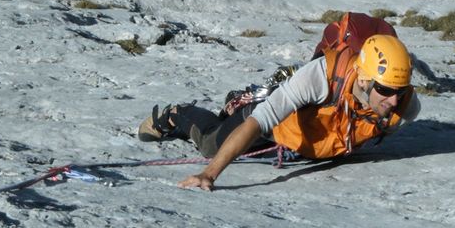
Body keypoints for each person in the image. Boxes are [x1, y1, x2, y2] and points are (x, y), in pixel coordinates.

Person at [137, 33, 420, 192]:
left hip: (307, 138)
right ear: (362, 78)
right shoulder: (320, 78)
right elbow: (258, 122)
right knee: (212, 145)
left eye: (401, 91)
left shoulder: (404, 102)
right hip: (276, 122)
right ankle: (178, 114)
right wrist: (209, 174)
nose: (394, 101)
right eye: (385, 90)